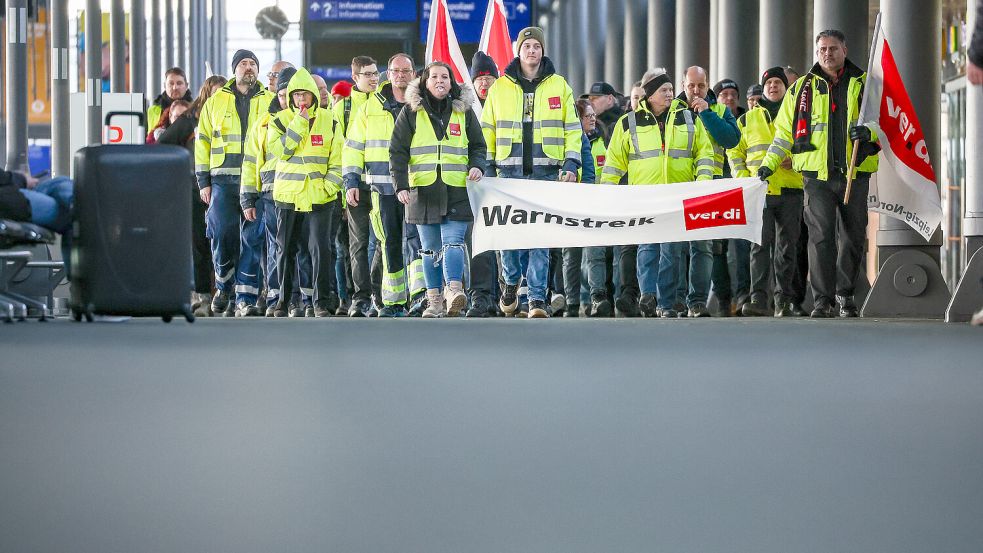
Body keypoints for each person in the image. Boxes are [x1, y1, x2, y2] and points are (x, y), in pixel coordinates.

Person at [759, 29, 880, 318]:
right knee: (821, 237)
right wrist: (768, 164)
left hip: (855, 173)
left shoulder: (865, 84)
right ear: (817, 53)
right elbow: (783, 136)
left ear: (844, 50)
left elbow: (883, 123)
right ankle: (822, 300)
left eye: (833, 48)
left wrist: (869, 131)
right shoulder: (800, 88)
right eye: (822, 49)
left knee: (852, 237)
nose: (827, 53)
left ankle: (845, 295)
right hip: (816, 177)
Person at [481, 26, 582, 318]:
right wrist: (487, 166)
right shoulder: (500, 88)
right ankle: (511, 282)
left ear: (543, 50)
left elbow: (572, 130)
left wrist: (571, 163)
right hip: (507, 176)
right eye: (527, 46)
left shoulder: (560, 86)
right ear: (518, 51)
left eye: (537, 46)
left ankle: (537, 299)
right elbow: (488, 130)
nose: (532, 51)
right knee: (508, 236)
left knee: (540, 238)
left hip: (546, 174)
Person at [600, 71, 715, 318]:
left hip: (678, 194)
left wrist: (703, 183)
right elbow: (614, 163)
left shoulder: (689, 119)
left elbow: (704, 153)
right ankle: (648, 295)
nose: (670, 94)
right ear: (650, 95)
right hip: (645, 196)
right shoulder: (628, 122)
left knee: (672, 250)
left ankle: (665, 302)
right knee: (647, 248)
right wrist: (608, 194)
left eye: (671, 89)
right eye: (664, 90)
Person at [389, 62, 486, 317]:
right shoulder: (410, 112)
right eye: (434, 77)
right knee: (429, 249)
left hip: (457, 188)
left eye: (445, 76)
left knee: (453, 243)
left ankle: (454, 291)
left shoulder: (464, 112)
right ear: (425, 82)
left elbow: (478, 145)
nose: (440, 80)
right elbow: (397, 152)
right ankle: (434, 301)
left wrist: (477, 166)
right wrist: (400, 185)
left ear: (452, 83)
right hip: (422, 190)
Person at [195, 49, 274, 317]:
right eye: (243, 63)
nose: (248, 67)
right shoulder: (215, 101)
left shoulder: (271, 101)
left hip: (256, 181)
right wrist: (203, 181)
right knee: (221, 232)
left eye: (253, 63)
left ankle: (245, 297)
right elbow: (203, 142)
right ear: (234, 70)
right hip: (222, 180)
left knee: (253, 237)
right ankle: (223, 283)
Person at [343, 53, 418, 317]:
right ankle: (393, 301)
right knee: (389, 244)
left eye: (405, 71)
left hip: (417, 186)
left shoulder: (422, 104)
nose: (400, 75)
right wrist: (351, 181)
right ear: (388, 73)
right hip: (382, 189)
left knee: (416, 243)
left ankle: (419, 298)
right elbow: (353, 148)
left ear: (413, 73)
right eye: (395, 71)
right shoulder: (370, 106)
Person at [268, 67, 344, 317]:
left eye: (305, 94)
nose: (301, 99)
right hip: (288, 196)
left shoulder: (329, 120)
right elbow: (282, 151)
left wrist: (329, 187)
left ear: (313, 95)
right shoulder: (279, 121)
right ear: (290, 96)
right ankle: (283, 301)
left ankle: (321, 302)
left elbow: (338, 160)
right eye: (296, 94)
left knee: (320, 250)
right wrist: (299, 122)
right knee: (285, 250)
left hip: (319, 197)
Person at [729, 67, 804, 317]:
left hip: (791, 190)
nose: (773, 86)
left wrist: (795, 160)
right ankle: (758, 299)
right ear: (763, 88)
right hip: (759, 192)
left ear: (786, 87)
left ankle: (784, 300)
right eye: (769, 82)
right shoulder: (747, 119)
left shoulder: (798, 115)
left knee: (787, 247)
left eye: (778, 82)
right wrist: (744, 180)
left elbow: (810, 146)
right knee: (759, 247)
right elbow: (734, 152)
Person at [241, 66, 316, 317]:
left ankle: (301, 298)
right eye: (282, 94)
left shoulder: (314, 118)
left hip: (304, 192)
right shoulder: (264, 123)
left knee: (302, 247)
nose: (286, 99)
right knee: (276, 247)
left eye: (290, 93)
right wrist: (248, 197)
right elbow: (252, 161)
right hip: (271, 193)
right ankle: (276, 297)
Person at [675, 66, 741, 317]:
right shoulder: (673, 111)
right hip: (680, 183)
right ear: (683, 85)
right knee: (677, 247)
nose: (695, 90)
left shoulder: (719, 110)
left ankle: (698, 301)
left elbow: (731, 139)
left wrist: (706, 114)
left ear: (707, 85)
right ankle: (678, 300)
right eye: (691, 85)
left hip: (710, 185)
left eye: (700, 86)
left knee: (703, 246)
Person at [158, 75, 225, 317]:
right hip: (195, 192)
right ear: (205, 95)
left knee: (225, 242)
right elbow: (163, 145)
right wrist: (180, 173)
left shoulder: (233, 118)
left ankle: (226, 294)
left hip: (225, 189)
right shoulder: (189, 121)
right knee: (200, 245)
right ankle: (203, 297)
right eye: (215, 92)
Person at [336, 55, 382, 317]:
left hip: (381, 185)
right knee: (358, 245)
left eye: (376, 73)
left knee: (382, 242)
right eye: (368, 74)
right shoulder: (342, 109)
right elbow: (342, 151)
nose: (374, 78)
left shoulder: (385, 103)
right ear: (355, 77)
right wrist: (345, 189)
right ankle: (360, 297)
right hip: (355, 187)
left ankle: (377, 293)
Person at [464, 50, 502, 317]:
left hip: (503, 184)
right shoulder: (464, 109)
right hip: (474, 185)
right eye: (480, 78)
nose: (485, 82)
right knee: (478, 242)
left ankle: (502, 297)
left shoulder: (504, 105)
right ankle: (480, 296)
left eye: (489, 76)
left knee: (502, 245)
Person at [572, 98, 611, 317]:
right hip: (570, 203)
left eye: (593, 115)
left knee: (595, 252)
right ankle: (575, 301)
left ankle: (597, 298)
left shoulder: (599, 139)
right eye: (588, 116)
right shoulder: (570, 139)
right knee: (570, 258)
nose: (592, 119)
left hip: (594, 202)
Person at [0, 170, 73, 274]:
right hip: (8, 201)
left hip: (9, 195)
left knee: (60, 182)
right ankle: (84, 283)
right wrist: (21, 179)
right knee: (72, 216)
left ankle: (76, 202)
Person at [147, 67, 192, 138]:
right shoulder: (152, 111)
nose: (175, 87)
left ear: (186, 86)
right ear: (165, 86)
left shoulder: (196, 110)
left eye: (179, 83)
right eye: (171, 83)